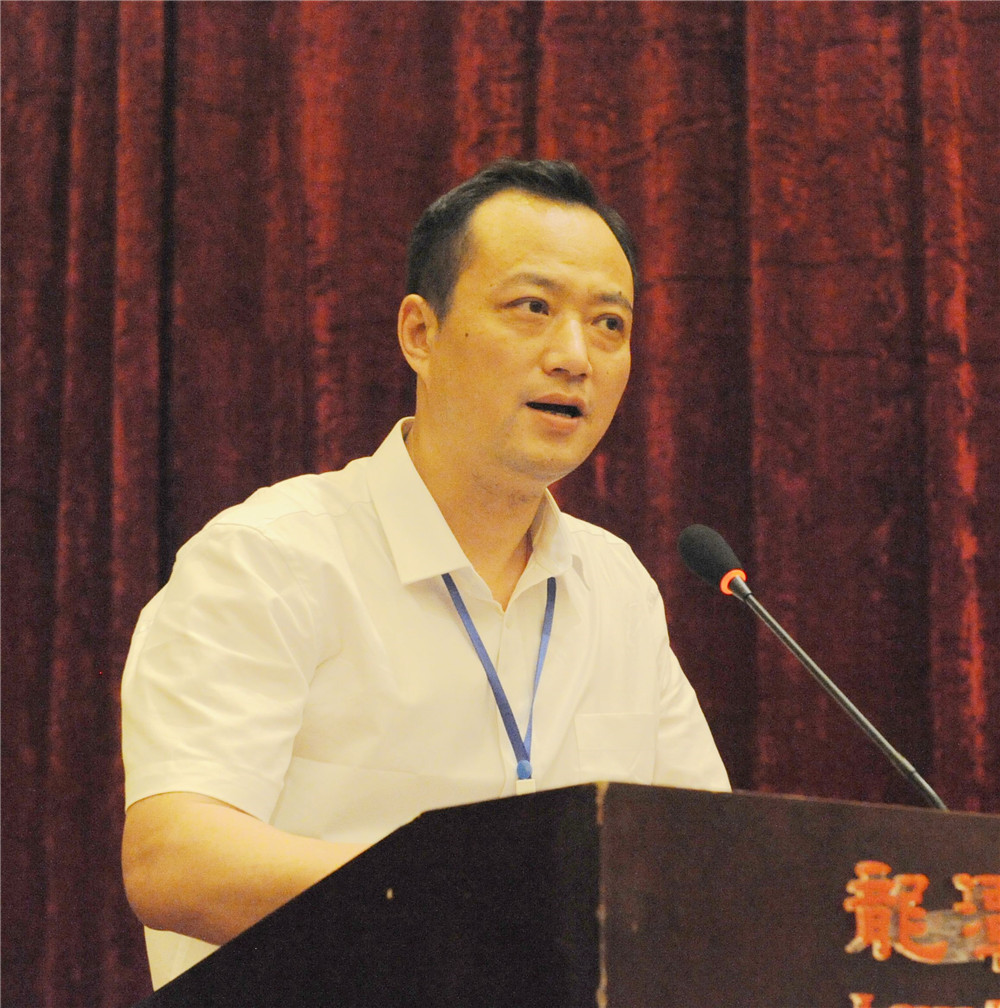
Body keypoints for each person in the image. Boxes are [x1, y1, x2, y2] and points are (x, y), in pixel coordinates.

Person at [120, 158, 730, 988]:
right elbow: (176, 859)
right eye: (533, 308)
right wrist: (472, 904)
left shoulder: (617, 588)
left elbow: (707, 864)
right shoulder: (271, 557)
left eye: (609, 324)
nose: (574, 356)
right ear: (420, 333)